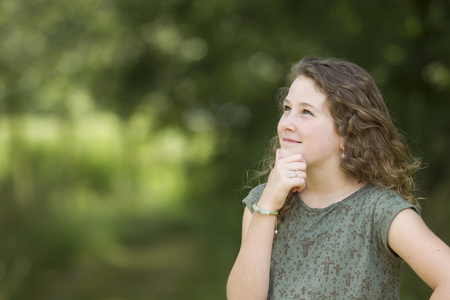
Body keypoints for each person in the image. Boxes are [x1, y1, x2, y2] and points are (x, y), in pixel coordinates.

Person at [226, 57, 450, 299]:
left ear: (347, 133)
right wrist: (268, 205)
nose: (287, 123)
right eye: (287, 108)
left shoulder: (380, 211)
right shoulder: (262, 203)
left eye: (306, 112)